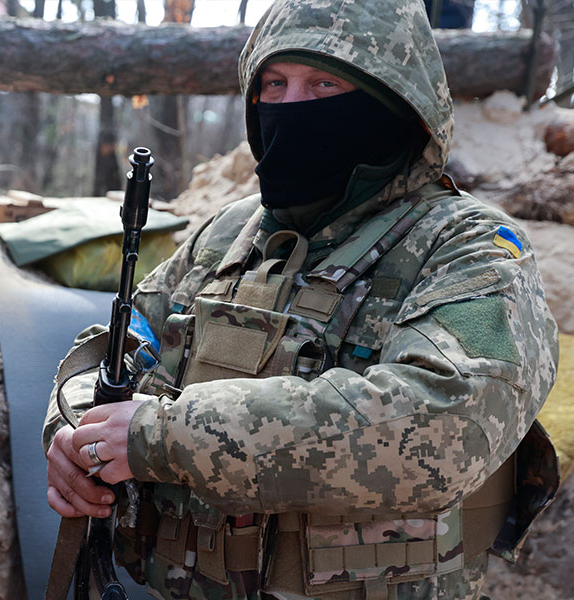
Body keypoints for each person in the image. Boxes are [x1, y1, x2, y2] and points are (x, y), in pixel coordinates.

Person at [43, 1, 560, 598]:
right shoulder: (228, 233)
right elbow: (119, 344)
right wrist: (76, 428)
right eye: (274, 85)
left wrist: (160, 437)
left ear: (393, 102)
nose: (292, 108)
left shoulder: (467, 245)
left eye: (323, 84)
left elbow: (447, 426)